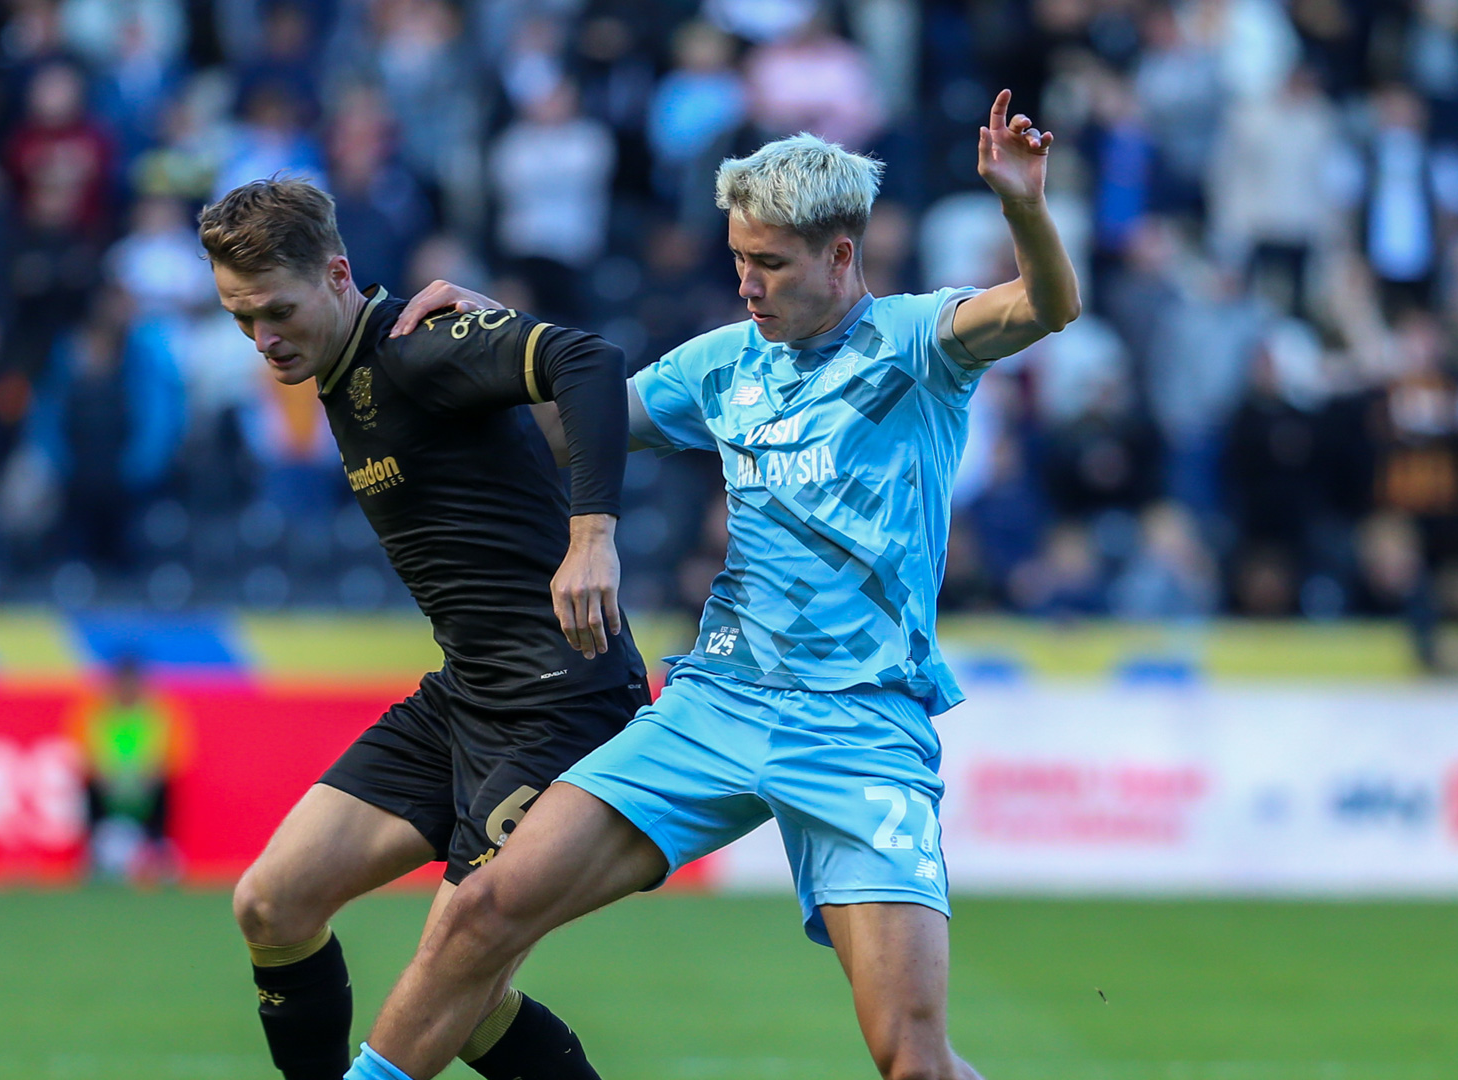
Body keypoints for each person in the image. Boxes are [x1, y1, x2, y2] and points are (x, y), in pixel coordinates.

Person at [349, 90, 1081, 1080]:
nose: (748, 285)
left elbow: (1047, 307)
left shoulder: (917, 344)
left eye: (771, 264)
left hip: (861, 729)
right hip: (715, 706)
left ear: (841, 256)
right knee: (480, 908)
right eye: (739, 260)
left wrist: (1023, 208)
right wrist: (492, 334)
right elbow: (570, 423)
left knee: (911, 1059)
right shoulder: (721, 364)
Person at [198, 178, 647, 1080]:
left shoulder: (417, 347)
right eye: (240, 319)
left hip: (561, 701)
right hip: (467, 693)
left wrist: (591, 538)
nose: (262, 340)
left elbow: (588, 362)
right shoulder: (339, 359)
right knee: (271, 906)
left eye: (277, 312)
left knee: (459, 982)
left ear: (336, 273)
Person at [69, 653, 186, 882]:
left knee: (164, 788)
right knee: (88, 788)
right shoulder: (97, 712)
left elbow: (173, 755)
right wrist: (104, 774)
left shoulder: (157, 712)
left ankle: (160, 847)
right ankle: (93, 852)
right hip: (109, 784)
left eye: (133, 682)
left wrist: (150, 773)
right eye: (123, 682)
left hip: (145, 784)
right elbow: (83, 752)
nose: (127, 688)